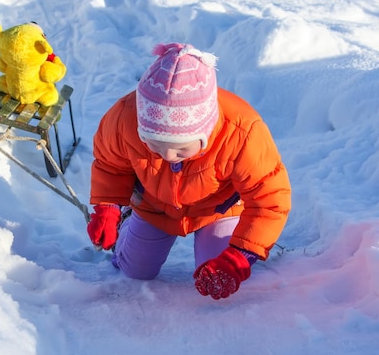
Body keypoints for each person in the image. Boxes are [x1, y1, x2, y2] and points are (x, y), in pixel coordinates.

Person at [87, 43, 291, 300]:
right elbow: (110, 165)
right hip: (154, 205)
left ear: (205, 132)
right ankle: (128, 226)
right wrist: (109, 207)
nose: (167, 155)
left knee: (215, 270)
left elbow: (269, 200)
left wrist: (241, 255)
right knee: (135, 269)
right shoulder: (123, 119)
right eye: (154, 144)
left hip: (218, 209)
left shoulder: (242, 132)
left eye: (181, 149)